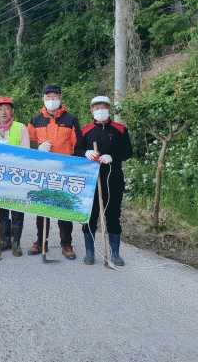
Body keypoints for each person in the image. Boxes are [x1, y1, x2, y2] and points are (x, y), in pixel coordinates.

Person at [27, 85, 83, 260]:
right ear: (43, 99)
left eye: (55, 96)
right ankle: (40, 241)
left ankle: (66, 244)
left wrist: (76, 167)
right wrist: (38, 147)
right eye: (48, 97)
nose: (52, 100)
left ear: (60, 98)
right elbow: (27, 143)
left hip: (64, 171)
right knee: (42, 208)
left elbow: (78, 145)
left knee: (63, 208)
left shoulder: (71, 119)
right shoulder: (35, 120)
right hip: (43, 171)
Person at [80, 96, 133, 266]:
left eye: (103, 107)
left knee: (113, 217)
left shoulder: (120, 129)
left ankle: (115, 254)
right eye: (96, 108)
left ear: (109, 109)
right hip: (91, 181)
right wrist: (85, 153)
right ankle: (89, 252)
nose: (100, 110)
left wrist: (113, 157)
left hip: (113, 179)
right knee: (90, 216)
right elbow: (77, 150)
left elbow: (128, 152)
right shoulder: (86, 131)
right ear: (91, 111)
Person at [0, 96, 31, 257]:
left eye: (6, 109)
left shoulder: (21, 128)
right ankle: (4, 241)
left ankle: (16, 243)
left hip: (17, 178)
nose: (3, 112)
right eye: (0, 109)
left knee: (17, 212)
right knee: (1, 212)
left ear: (12, 111)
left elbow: (25, 153)